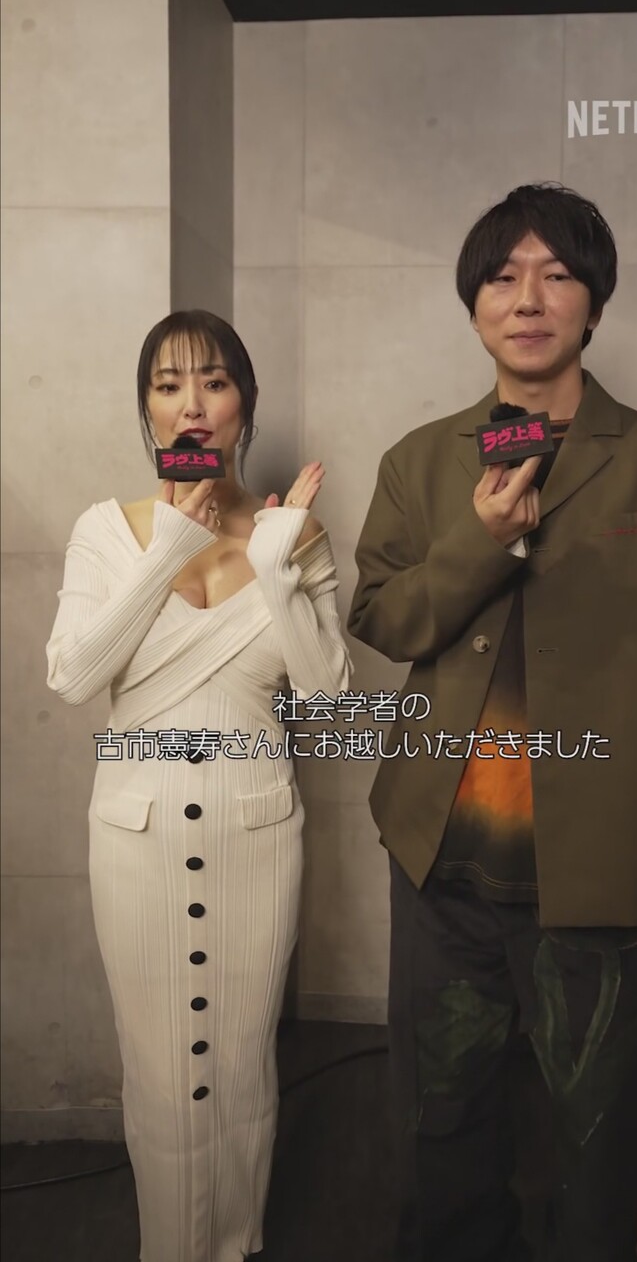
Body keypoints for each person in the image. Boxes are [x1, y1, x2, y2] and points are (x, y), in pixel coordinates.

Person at [348, 183, 637, 1262]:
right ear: (473, 304)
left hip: (602, 873)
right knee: (442, 1136)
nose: (527, 298)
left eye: (556, 273)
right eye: (501, 276)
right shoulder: (421, 460)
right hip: (440, 863)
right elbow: (382, 618)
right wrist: (478, 542)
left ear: (594, 303)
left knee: (596, 1153)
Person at [46, 310, 352, 1262]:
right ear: (146, 408)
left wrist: (275, 566)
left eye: (214, 382)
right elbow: (74, 676)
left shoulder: (294, 534)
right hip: (134, 837)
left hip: (256, 832)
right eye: (169, 384)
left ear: (244, 405)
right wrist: (168, 553)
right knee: (157, 1069)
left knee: (244, 1060)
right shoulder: (105, 531)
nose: (192, 404)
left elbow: (330, 700)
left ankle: (236, 1243)